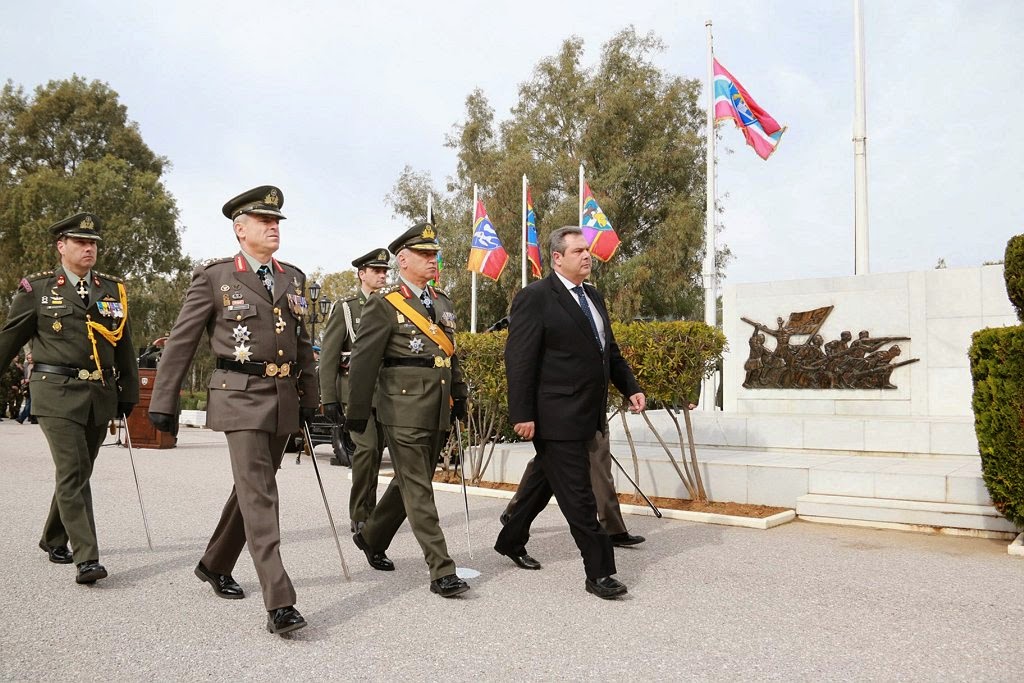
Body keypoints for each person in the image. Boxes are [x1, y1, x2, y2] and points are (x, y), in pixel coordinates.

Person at [148, 186, 317, 635]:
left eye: (277, 220)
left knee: (252, 489)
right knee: (261, 492)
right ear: (240, 230)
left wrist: (313, 400)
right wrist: (163, 401)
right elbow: (181, 342)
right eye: (264, 221)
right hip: (238, 393)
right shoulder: (214, 277)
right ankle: (280, 601)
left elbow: (304, 347)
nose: (274, 226)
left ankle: (214, 562)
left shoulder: (293, 278)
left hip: (282, 395)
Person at [494, 226, 645, 600]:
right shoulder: (535, 297)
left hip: (587, 412)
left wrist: (632, 387)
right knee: (579, 497)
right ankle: (600, 572)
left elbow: (607, 351)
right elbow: (520, 359)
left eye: (587, 250)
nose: (586, 255)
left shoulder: (593, 296)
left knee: (542, 483)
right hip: (554, 414)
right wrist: (522, 413)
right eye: (578, 250)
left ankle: (510, 539)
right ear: (557, 258)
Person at [0, 212, 138, 584]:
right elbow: (8, 339)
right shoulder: (38, 290)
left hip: (99, 392)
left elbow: (124, 345)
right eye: (80, 242)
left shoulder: (112, 290)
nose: (88, 248)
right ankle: (87, 557)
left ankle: (52, 537)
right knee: (74, 469)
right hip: (56, 392)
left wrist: (130, 391)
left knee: (78, 470)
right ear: (61, 246)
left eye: (93, 243)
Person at [345, 222, 470, 598]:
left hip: (437, 407)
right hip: (401, 409)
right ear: (403, 259)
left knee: (409, 482)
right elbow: (365, 362)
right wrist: (356, 411)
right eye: (425, 255)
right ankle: (441, 569)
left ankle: (372, 536)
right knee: (418, 488)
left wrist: (460, 393)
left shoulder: (443, 302)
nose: (434, 260)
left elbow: (451, 354)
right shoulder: (384, 305)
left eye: (435, 254)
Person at [319, 248, 390, 536]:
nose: (383, 275)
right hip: (355, 394)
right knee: (368, 449)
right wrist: (330, 398)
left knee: (376, 453)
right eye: (377, 271)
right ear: (362, 274)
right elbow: (329, 356)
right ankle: (360, 513)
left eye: (385, 271)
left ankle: (372, 511)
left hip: (386, 392)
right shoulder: (347, 309)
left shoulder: (389, 305)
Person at [500, 429, 646, 548]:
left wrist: (632, 391)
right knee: (545, 464)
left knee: (600, 464)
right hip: (562, 407)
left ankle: (614, 529)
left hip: (593, 408)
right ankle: (513, 513)